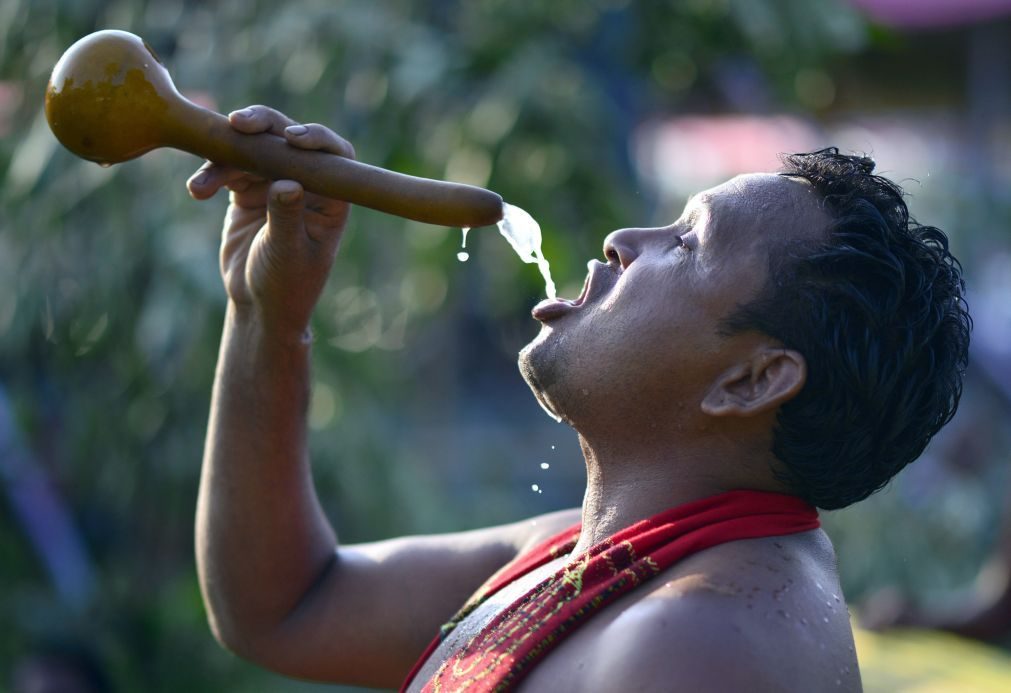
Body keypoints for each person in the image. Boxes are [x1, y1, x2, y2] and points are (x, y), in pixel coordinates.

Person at [187, 106, 970, 692]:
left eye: (688, 244)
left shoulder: (696, 644)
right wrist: (265, 314)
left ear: (750, 380)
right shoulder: (592, 553)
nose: (624, 240)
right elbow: (282, 602)